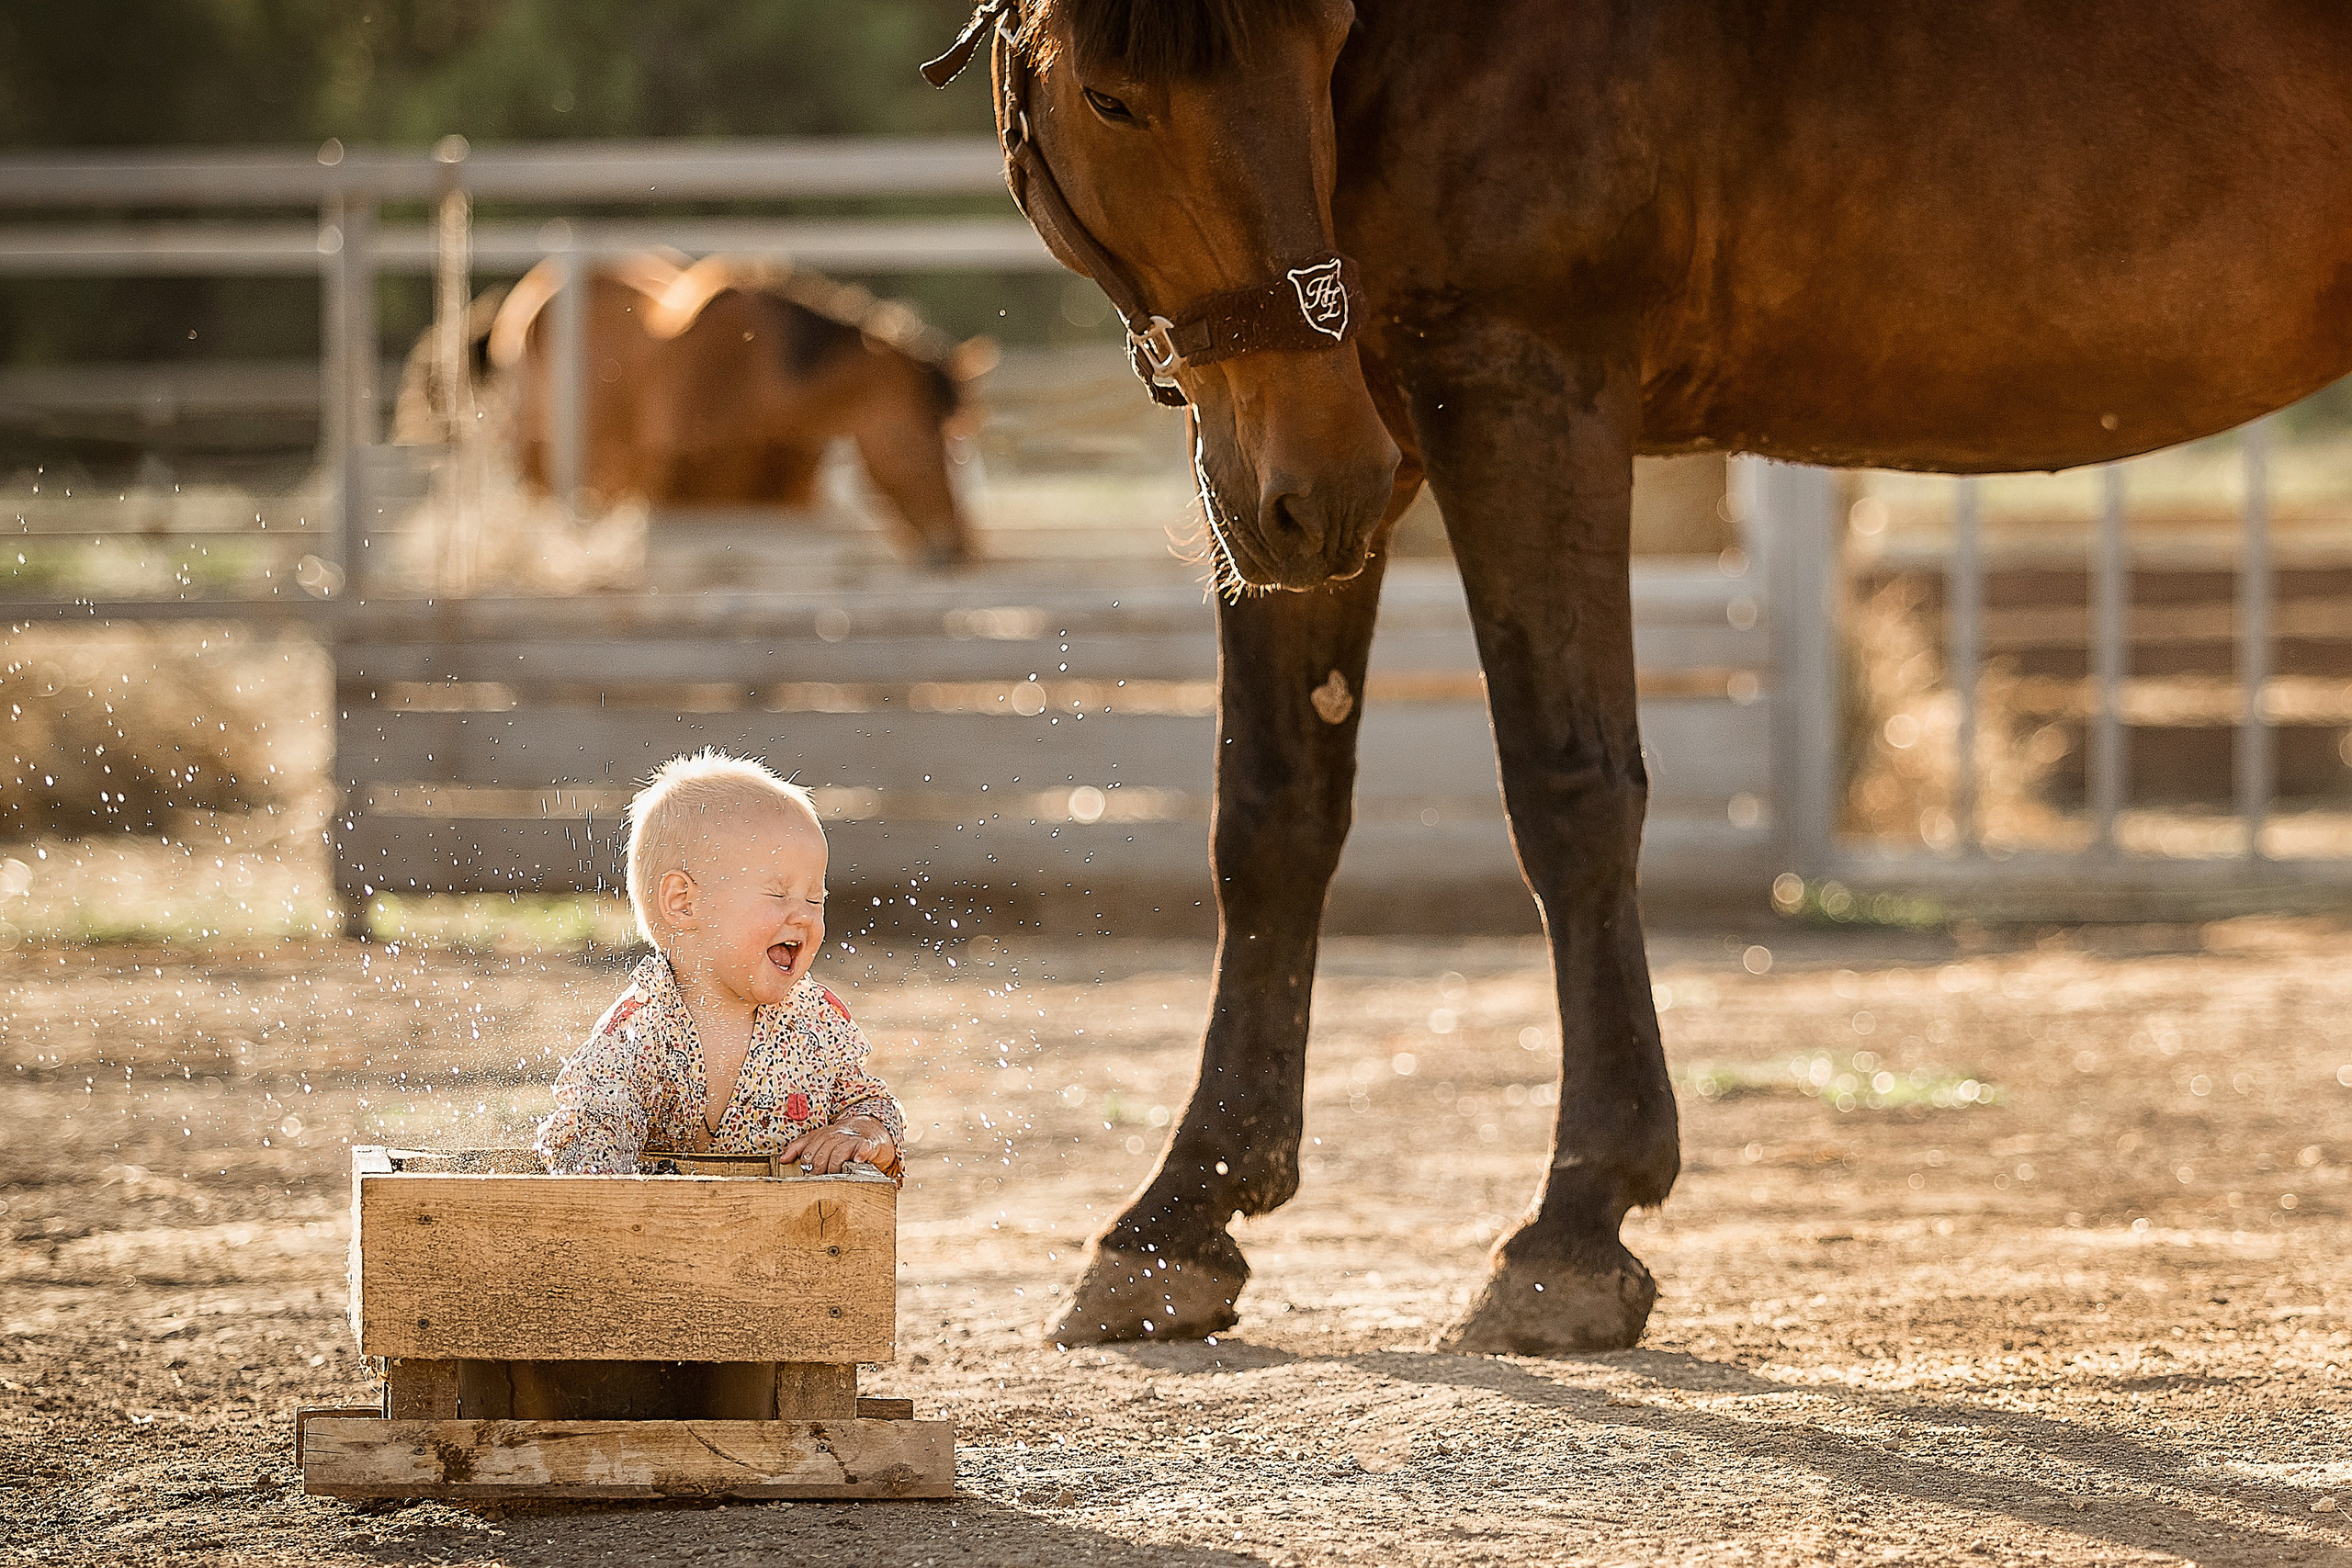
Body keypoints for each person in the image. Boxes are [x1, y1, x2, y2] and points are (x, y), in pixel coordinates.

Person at [535, 749, 903, 1180]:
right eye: (778, 894)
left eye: (815, 899)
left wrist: (862, 1131)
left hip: (798, 1236)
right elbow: (587, 1140)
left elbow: (872, 1105)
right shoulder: (639, 1034)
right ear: (684, 903)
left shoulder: (817, 1024)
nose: (803, 915)